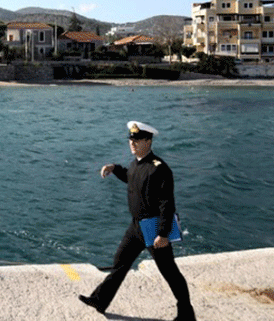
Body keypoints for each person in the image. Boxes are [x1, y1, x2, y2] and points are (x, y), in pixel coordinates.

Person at [79, 121, 196, 321]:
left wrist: (163, 233)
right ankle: (100, 300)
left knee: (169, 272)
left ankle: (186, 313)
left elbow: (167, 204)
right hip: (136, 227)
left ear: (148, 141)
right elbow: (131, 177)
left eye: (137, 140)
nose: (132, 143)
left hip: (153, 228)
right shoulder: (137, 163)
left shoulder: (159, 169)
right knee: (120, 263)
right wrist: (114, 168)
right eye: (131, 140)